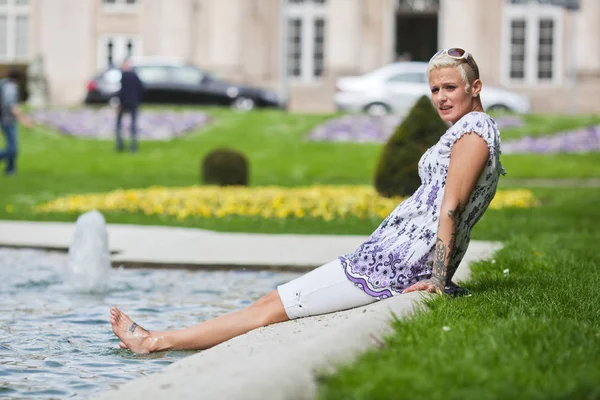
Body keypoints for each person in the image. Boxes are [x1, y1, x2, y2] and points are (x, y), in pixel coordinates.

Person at [110, 48, 505, 353]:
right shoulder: (475, 129)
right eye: (435, 89)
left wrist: (437, 279)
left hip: (394, 266)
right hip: (386, 258)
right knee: (271, 302)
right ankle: (161, 339)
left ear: (476, 87)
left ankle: (157, 342)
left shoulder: (473, 133)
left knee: (271, 306)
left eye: (450, 88)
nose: (440, 98)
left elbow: (452, 207)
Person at [0, 68, 33, 176]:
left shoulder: (3, 84)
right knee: (13, 148)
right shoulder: (10, 88)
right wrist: (25, 121)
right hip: (7, 120)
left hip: (5, 119)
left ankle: (10, 170)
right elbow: (12, 107)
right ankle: (10, 170)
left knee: (11, 146)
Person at [115, 58, 144, 153]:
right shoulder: (135, 76)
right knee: (133, 125)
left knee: (119, 124)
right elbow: (141, 89)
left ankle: (120, 145)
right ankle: (133, 147)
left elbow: (123, 91)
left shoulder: (124, 76)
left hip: (125, 103)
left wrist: (120, 103)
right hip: (134, 103)